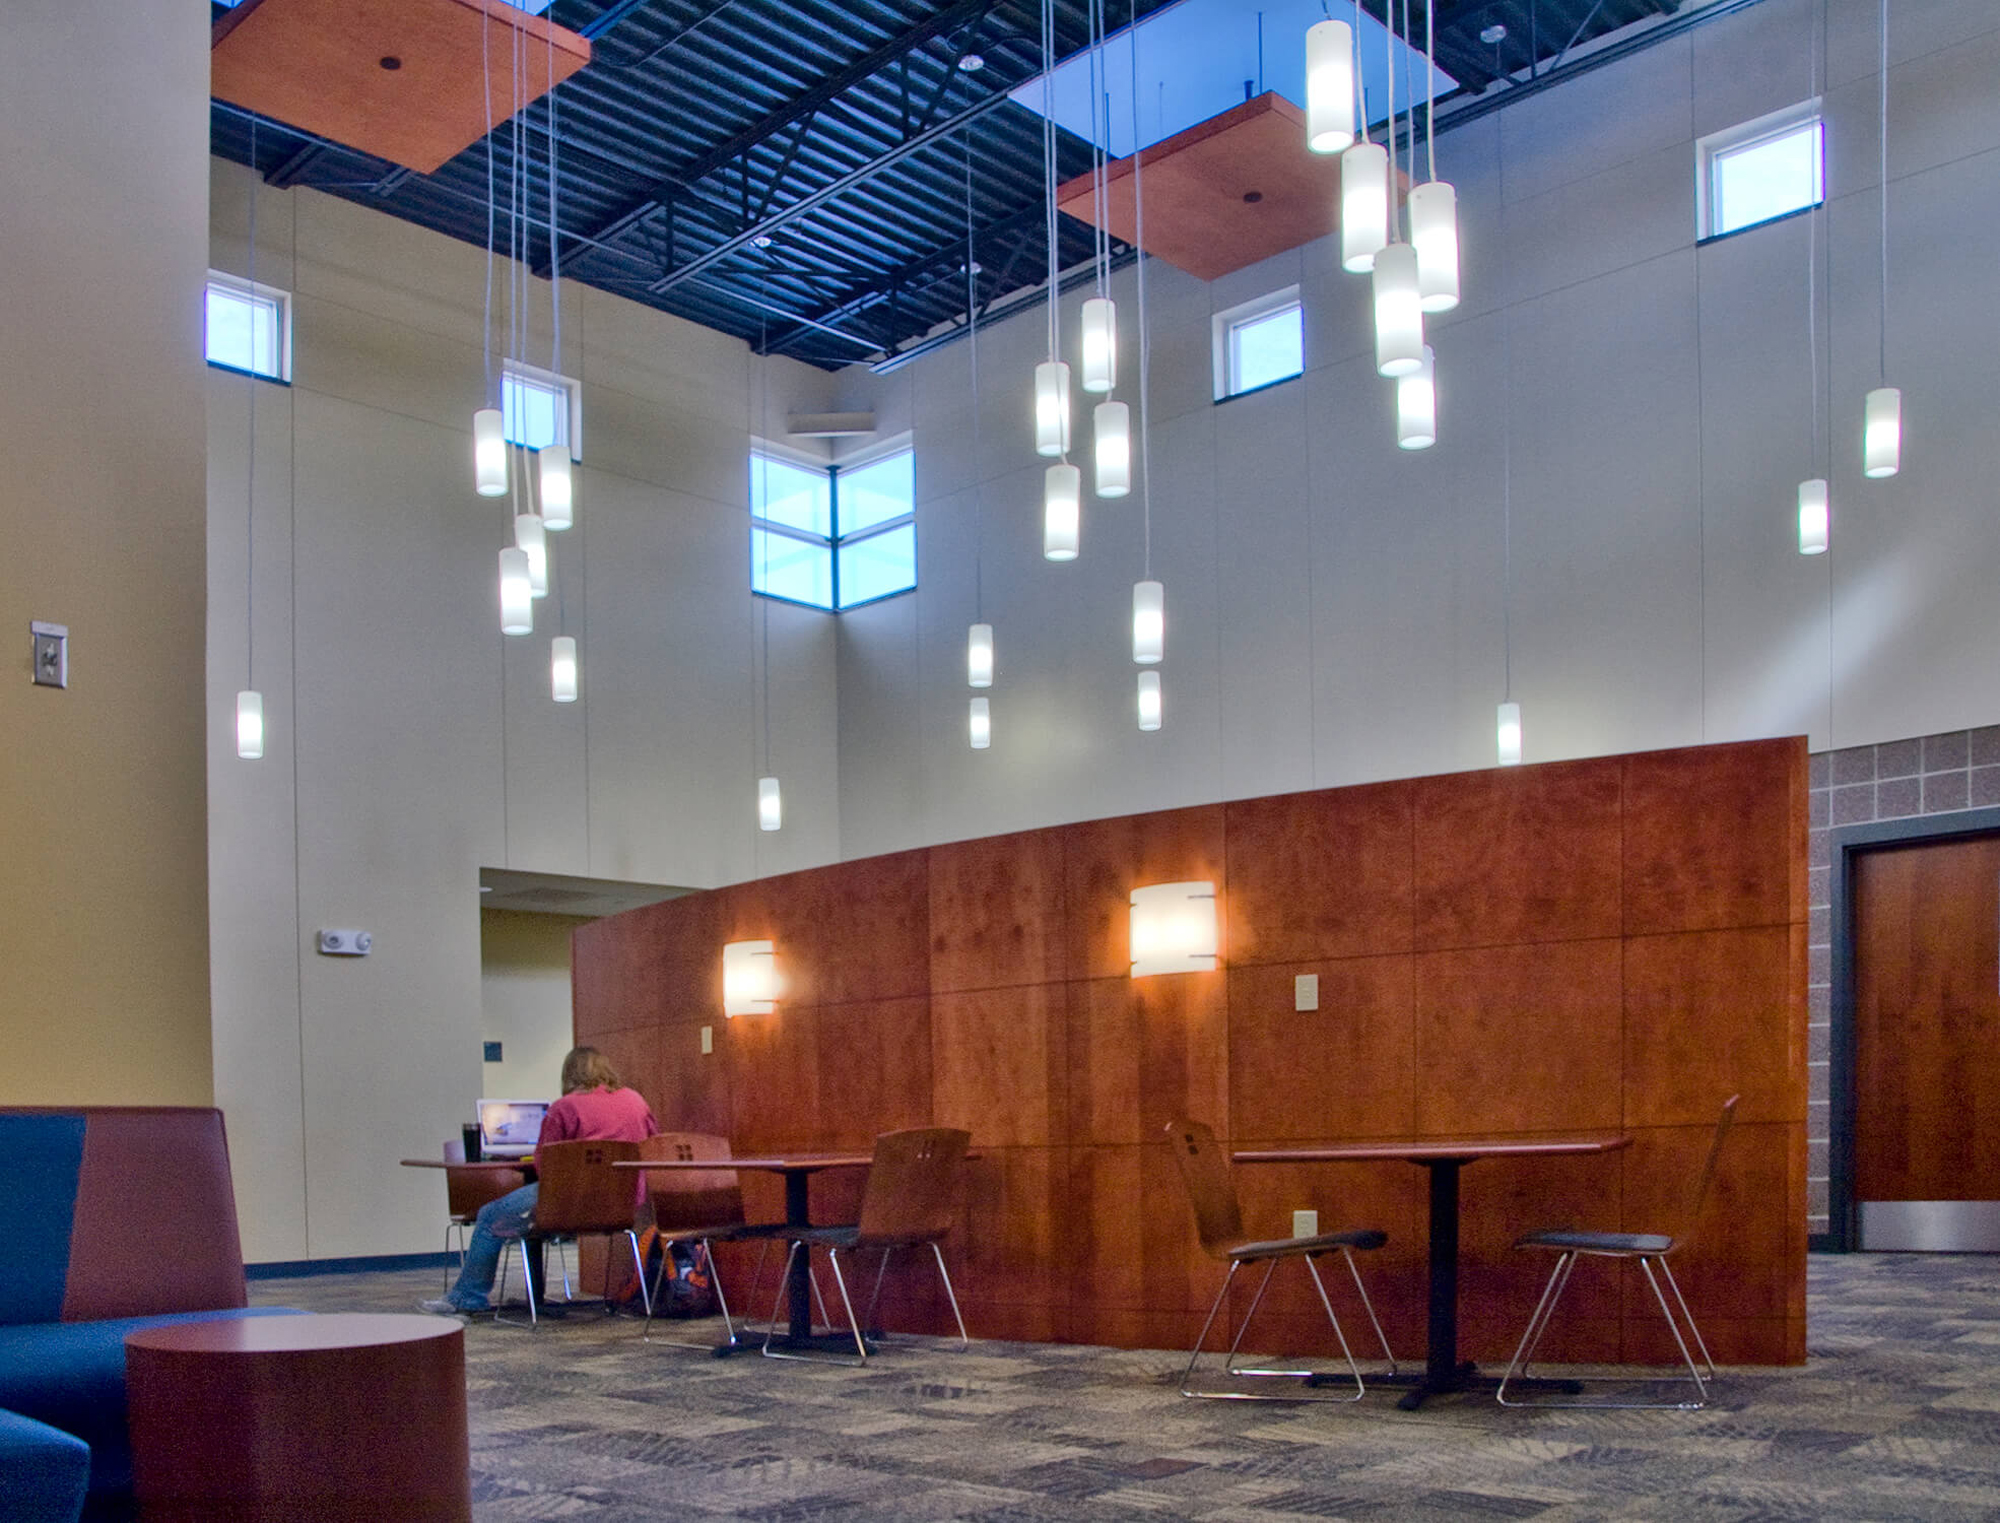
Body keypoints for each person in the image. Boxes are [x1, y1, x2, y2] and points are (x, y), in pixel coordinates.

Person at [421, 1045, 656, 1316]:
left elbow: (545, 1163)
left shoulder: (564, 1107)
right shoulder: (636, 1101)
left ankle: (468, 1298)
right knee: (524, 1211)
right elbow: (650, 1145)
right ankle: (530, 1299)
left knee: (488, 1217)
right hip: (622, 1206)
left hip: (568, 1204)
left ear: (570, 1074)